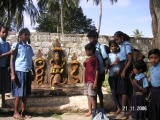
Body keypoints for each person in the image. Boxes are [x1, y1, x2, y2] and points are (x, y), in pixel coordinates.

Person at [10, 28, 35, 119]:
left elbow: (31, 61)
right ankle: (16, 112)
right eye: (25, 35)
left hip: (27, 71)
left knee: (25, 93)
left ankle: (23, 112)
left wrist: (34, 72)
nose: (27, 36)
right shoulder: (16, 45)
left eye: (28, 35)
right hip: (19, 72)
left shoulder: (29, 48)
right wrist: (13, 74)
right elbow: (12, 60)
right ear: (20, 36)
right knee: (19, 93)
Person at [87, 30, 109, 108]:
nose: (90, 40)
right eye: (89, 38)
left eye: (91, 38)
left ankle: (101, 107)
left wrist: (106, 67)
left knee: (98, 89)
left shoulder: (101, 47)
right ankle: (95, 107)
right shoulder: (91, 47)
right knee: (93, 91)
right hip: (93, 73)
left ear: (96, 38)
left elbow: (105, 58)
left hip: (100, 72)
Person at [113, 31, 133, 119]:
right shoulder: (122, 46)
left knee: (124, 92)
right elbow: (122, 61)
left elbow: (130, 59)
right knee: (127, 92)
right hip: (123, 68)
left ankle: (124, 112)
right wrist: (120, 70)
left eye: (117, 39)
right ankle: (131, 111)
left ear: (122, 38)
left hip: (127, 69)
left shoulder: (126, 45)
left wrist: (124, 71)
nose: (116, 41)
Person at [83, 42, 99, 117]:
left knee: (92, 96)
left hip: (92, 80)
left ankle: (95, 112)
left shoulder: (95, 59)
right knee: (89, 96)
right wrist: (84, 63)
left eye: (87, 51)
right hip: (87, 80)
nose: (86, 52)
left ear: (91, 50)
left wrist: (95, 82)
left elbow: (97, 70)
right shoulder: (89, 59)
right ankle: (90, 111)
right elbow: (86, 66)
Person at [0, 25, 13, 108]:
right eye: (3, 32)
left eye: (6, 33)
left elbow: (10, 56)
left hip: (4, 67)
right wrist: (9, 53)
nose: (5, 34)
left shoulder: (7, 44)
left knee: (3, 85)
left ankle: (3, 103)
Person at [108, 40, 122, 115]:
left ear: (117, 46)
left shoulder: (120, 54)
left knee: (119, 91)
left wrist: (120, 70)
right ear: (110, 47)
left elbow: (123, 64)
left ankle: (120, 107)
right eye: (112, 46)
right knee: (113, 92)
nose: (113, 47)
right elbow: (108, 66)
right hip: (111, 76)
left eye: (115, 46)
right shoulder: (109, 55)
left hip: (119, 75)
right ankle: (118, 107)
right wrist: (114, 62)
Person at [148, 49, 160, 120]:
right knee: (154, 107)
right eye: (151, 58)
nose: (153, 60)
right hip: (153, 90)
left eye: (156, 58)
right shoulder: (151, 68)